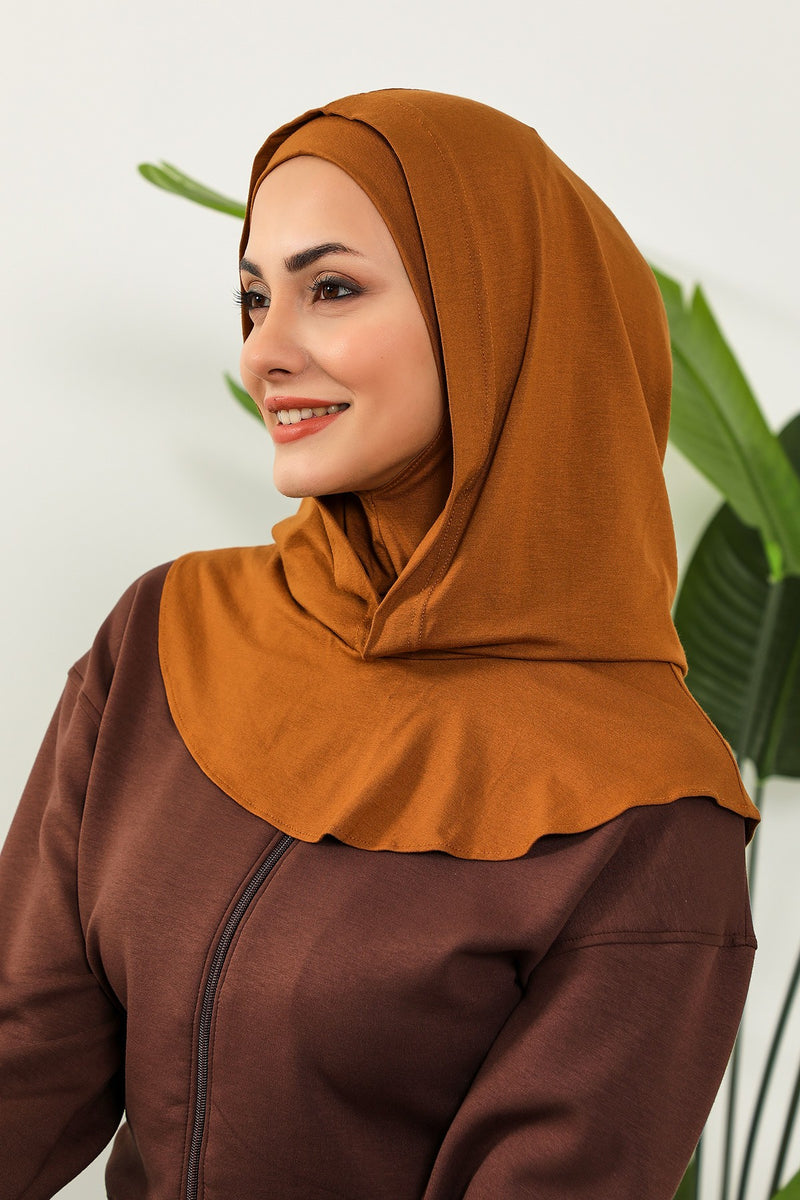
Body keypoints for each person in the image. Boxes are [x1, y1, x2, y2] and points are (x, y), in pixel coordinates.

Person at [0, 89, 759, 1200]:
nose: (265, 352)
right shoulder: (167, 636)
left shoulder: (646, 806)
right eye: (254, 298)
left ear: (493, 316)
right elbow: (24, 1056)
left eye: (332, 289)